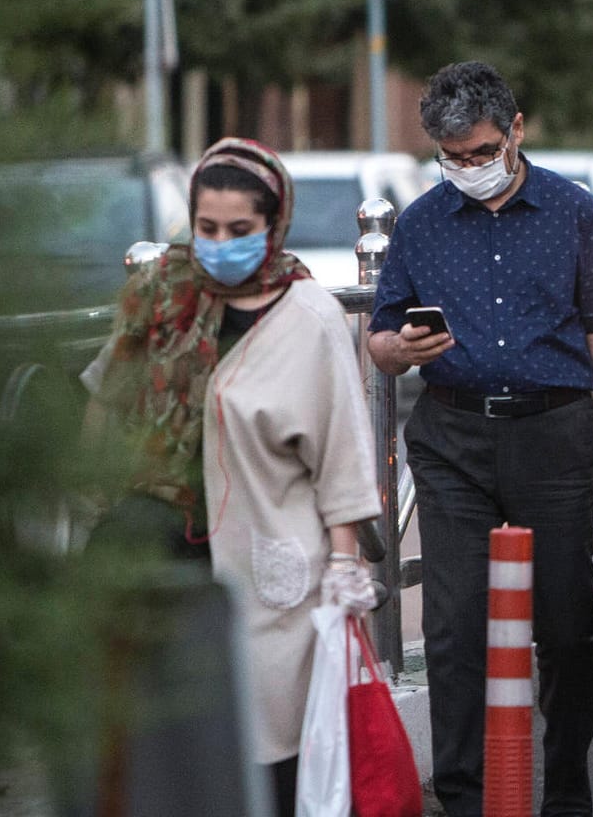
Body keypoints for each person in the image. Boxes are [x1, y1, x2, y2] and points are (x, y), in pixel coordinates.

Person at [367, 61, 593, 817]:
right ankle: (465, 797)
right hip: (451, 434)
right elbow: (381, 336)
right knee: (455, 626)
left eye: (481, 152)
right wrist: (400, 351)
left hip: (554, 432)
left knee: (562, 624)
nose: (468, 168)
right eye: (453, 156)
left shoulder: (571, 210)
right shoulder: (422, 222)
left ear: (516, 131)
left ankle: (565, 793)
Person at [82, 138, 381, 817]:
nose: (219, 245)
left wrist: (343, 566)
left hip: (267, 561)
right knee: (160, 745)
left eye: (239, 231)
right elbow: (106, 396)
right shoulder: (159, 294)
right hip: (151, 553)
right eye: (207, 228)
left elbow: (341, 452)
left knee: (269, 744)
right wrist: (96, 497)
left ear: (274, 227)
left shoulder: (309, 319)